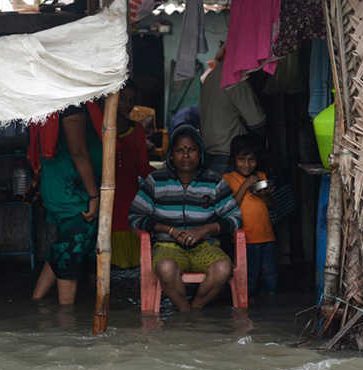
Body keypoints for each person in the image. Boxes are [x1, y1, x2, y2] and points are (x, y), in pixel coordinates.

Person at [128, 127, 242, 312]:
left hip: (206, 247)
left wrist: (203, 231)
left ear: (201, 153)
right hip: (167, 248)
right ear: (171, 154)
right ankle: (185, 312)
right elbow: (135, 217)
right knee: (165, 268)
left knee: (223, 269)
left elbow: (235, 218)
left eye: (192, 149)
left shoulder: (214, 182)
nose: (186, 155)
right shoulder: (156, 181)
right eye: (180, 150)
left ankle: (194, 310)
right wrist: (168, 230)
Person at [31, 104, 102, 305]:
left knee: (66, 243)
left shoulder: (68, 101)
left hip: (71, 188)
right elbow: (78, 151)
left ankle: (36, 301)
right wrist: (94, 196)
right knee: (73, 249)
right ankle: (66, 317)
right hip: (74, 192)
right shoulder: (72, 104)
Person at [199, 42, 266, 176]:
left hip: (210, 153)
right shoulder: (235, 79)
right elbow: (257, 122)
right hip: (230, 154)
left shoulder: (211, 76)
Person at [222, 134, 276, 301]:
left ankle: (270, 304)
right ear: (234, 159)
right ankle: (248, 303)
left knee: (270, 276)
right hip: (245, 238)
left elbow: (271, 205)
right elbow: (231, 206)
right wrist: (246, 185)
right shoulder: (228, 179)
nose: (246, 164)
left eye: (251, 159)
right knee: (249, 277)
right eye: (242, 159)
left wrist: (264, 195)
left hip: (266, 235)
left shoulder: (261, 176)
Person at [111, 82, 155, 268]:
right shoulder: (101, 129)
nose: (127, 104)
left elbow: (143, 166)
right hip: (107, 195)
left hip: (130, 195)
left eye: (131, 100)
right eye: (123, 98)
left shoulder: (137, 130)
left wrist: (167, 179)